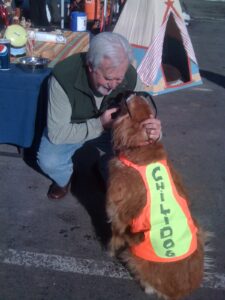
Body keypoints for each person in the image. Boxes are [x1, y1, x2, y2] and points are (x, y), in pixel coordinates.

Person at [37, 32, 162, 200]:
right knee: (49, 160)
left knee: (143, 150)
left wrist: (154, 131)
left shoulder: (129, 75)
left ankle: (106, 168)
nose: (114, 85)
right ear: (90, 66)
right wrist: (99, 124)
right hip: (72, 127)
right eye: (108, 78)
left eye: (119, 79)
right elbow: (57, 133)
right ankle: (63, 179)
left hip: (111, 129)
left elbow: (145, 112)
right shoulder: (63, 78)